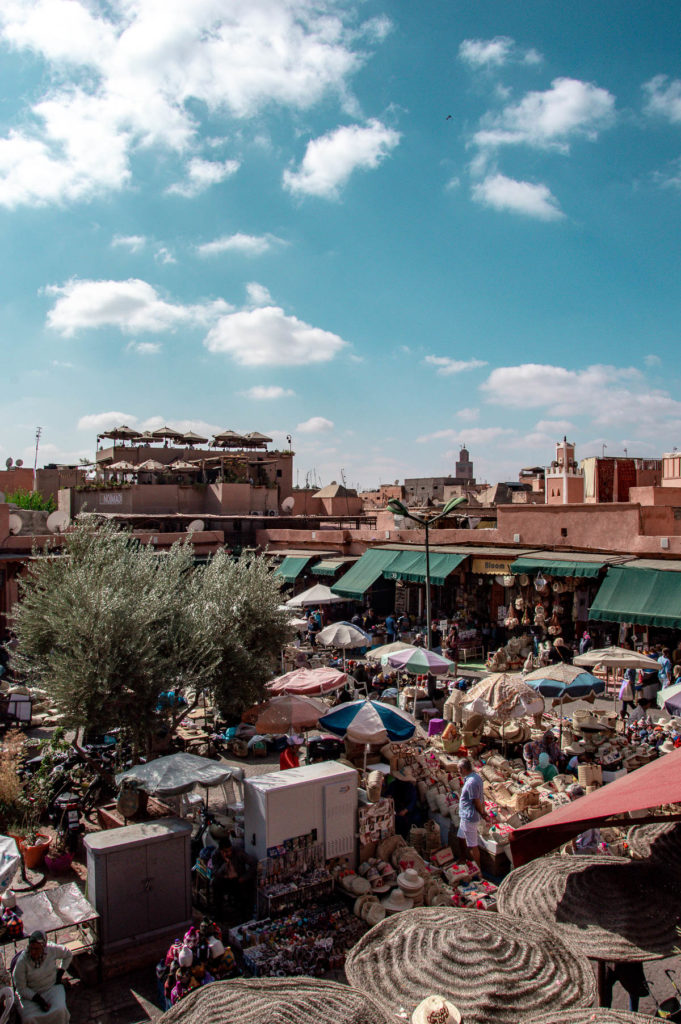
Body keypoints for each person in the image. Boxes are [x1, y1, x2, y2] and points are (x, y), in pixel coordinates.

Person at [13, 930, 72, 1024]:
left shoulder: (52, 950)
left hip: (51, 988)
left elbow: (68, 954)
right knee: (29, 1018)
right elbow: (21, 988)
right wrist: (39, 1000)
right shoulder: (22, 962)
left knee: (60, 1010)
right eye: (31, 948)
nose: (33, 952)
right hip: (30, 995)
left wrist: (60, 973)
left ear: (43, 946)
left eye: (36, 949)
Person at [208, 839, 255, 916]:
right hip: (224, 879)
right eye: (226, 852)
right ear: (221, 851)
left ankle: (244, 914)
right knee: (215, 884)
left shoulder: (238, 852)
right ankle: (218, 913)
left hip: (238, 879)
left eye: (230, 851)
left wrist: (244, 877)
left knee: (245, 890)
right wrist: (225, 864)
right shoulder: (215, 855)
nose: (229, 853)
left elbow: (253, 863)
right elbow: (216, 873)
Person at [456, 757, 487, 867]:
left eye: (459, 769)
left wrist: (482, 813)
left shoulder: (471, 782)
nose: (458, 772)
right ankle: (463, 859)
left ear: (463, 769)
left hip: (469, 816)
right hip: (465, 814)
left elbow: (476, 801)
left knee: (472, 845)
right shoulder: (474, 777)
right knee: (461, 837)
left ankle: (478, 870)